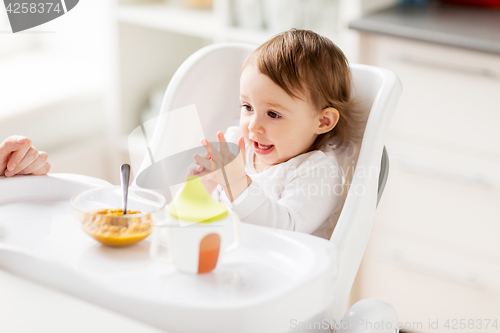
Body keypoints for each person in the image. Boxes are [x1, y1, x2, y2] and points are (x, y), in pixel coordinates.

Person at [188, 29, 364, 239]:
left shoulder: (317, 171)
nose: (253, 126)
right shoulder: (237, 144)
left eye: (273, 114)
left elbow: (285, 232)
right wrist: (202, 185)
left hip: (284, 268)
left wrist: (236, 182)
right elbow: (189, 217)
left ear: (323, 121)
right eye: (247, 106)